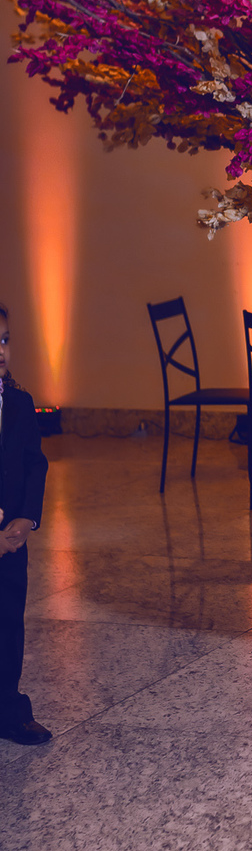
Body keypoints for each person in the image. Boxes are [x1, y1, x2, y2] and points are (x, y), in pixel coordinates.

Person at [0, 304, 51, 746]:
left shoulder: (19, 402)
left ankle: (8, 708)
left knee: (8, 622)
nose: (0, 350)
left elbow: (35, 464)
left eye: (3, 340)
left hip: (11, 544)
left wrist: (26, 518)